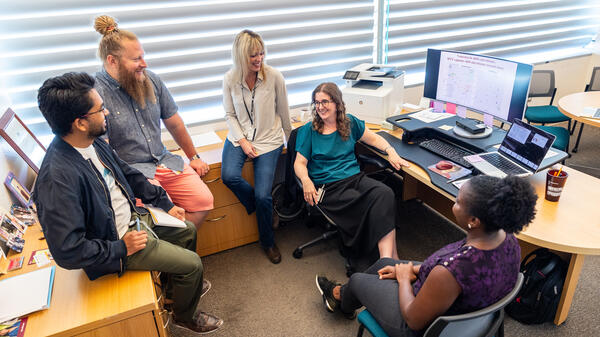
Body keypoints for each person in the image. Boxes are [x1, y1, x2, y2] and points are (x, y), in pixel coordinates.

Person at [33, 72, 223, 335]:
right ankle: (184, 315)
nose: (107, 113)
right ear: (80, 123)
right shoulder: (57, 179)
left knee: (187, 230)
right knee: (193, 265)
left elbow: (129, 175)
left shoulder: (93, 142)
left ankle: (175, 292)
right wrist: (120, 248)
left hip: (131, 220)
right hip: (117, 244)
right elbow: (67, 251)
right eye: (100, 109)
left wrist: (165, 203)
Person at [316, 175, 538, 336]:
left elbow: (413, 320)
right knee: (384, 263)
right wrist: (413, 270)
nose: (454, 203)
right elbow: (447, 274)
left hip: (420, 325)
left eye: (458, 202)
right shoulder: (506, 237)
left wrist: (404, 278)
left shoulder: (452, 271)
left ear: (474, 221)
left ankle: (340, 299)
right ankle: (343, 295)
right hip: (468, 307)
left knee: (356, 281)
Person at [92, 15, 213, 229]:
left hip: (163, 160)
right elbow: (104, 151)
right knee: (157, 217)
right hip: (134, 172)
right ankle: (174, 257)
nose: (144, 64)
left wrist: (193, 156)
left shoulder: (151, 80)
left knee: (203, 201)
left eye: (143, 57)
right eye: (136, 59)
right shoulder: (96, 93)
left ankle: (181, 251)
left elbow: (174, 122)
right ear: (112, 61)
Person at [294, 82, 410, 259]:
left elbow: (374, 139)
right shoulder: (309, 130)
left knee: (384, 193)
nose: (320, 107)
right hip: (328, 186)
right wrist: (306, 180)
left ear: (337, 103)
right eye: (316, 103)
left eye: (324, 102)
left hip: (354, 178)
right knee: (364, 204)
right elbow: (299, 163)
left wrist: (391, 151)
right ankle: (391, 260)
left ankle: (388, 259)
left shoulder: (349, 123)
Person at [221, 30, 292, 264]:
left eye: (261, 53)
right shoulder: (230, 79)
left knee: (263, 195)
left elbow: (284, 112)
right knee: (229, 176)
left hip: (268, 139)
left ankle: (268, 242)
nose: (258, 59)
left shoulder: (274, 77)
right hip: (238, 137)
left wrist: (291, 144)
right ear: (240, 56)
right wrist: (241, 140)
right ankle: (268, 210)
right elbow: (230, 115)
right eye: (253, 55)